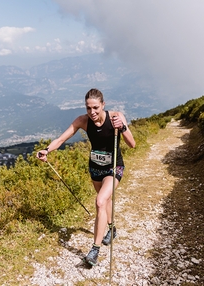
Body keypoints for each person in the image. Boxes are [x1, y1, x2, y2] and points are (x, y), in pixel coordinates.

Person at [37, 88, 135, 266]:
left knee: (100, 201)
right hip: (95, 169)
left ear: (103, 105)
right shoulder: (83, 121)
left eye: (96, 107)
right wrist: (47, 150)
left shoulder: (116, 117)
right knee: (105, 200)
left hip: (114, 167)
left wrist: (123, 127)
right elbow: (60, 140)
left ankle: (94, 251)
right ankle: (111, 229)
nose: (92, 112)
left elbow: (132, 144)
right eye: (88, 108)